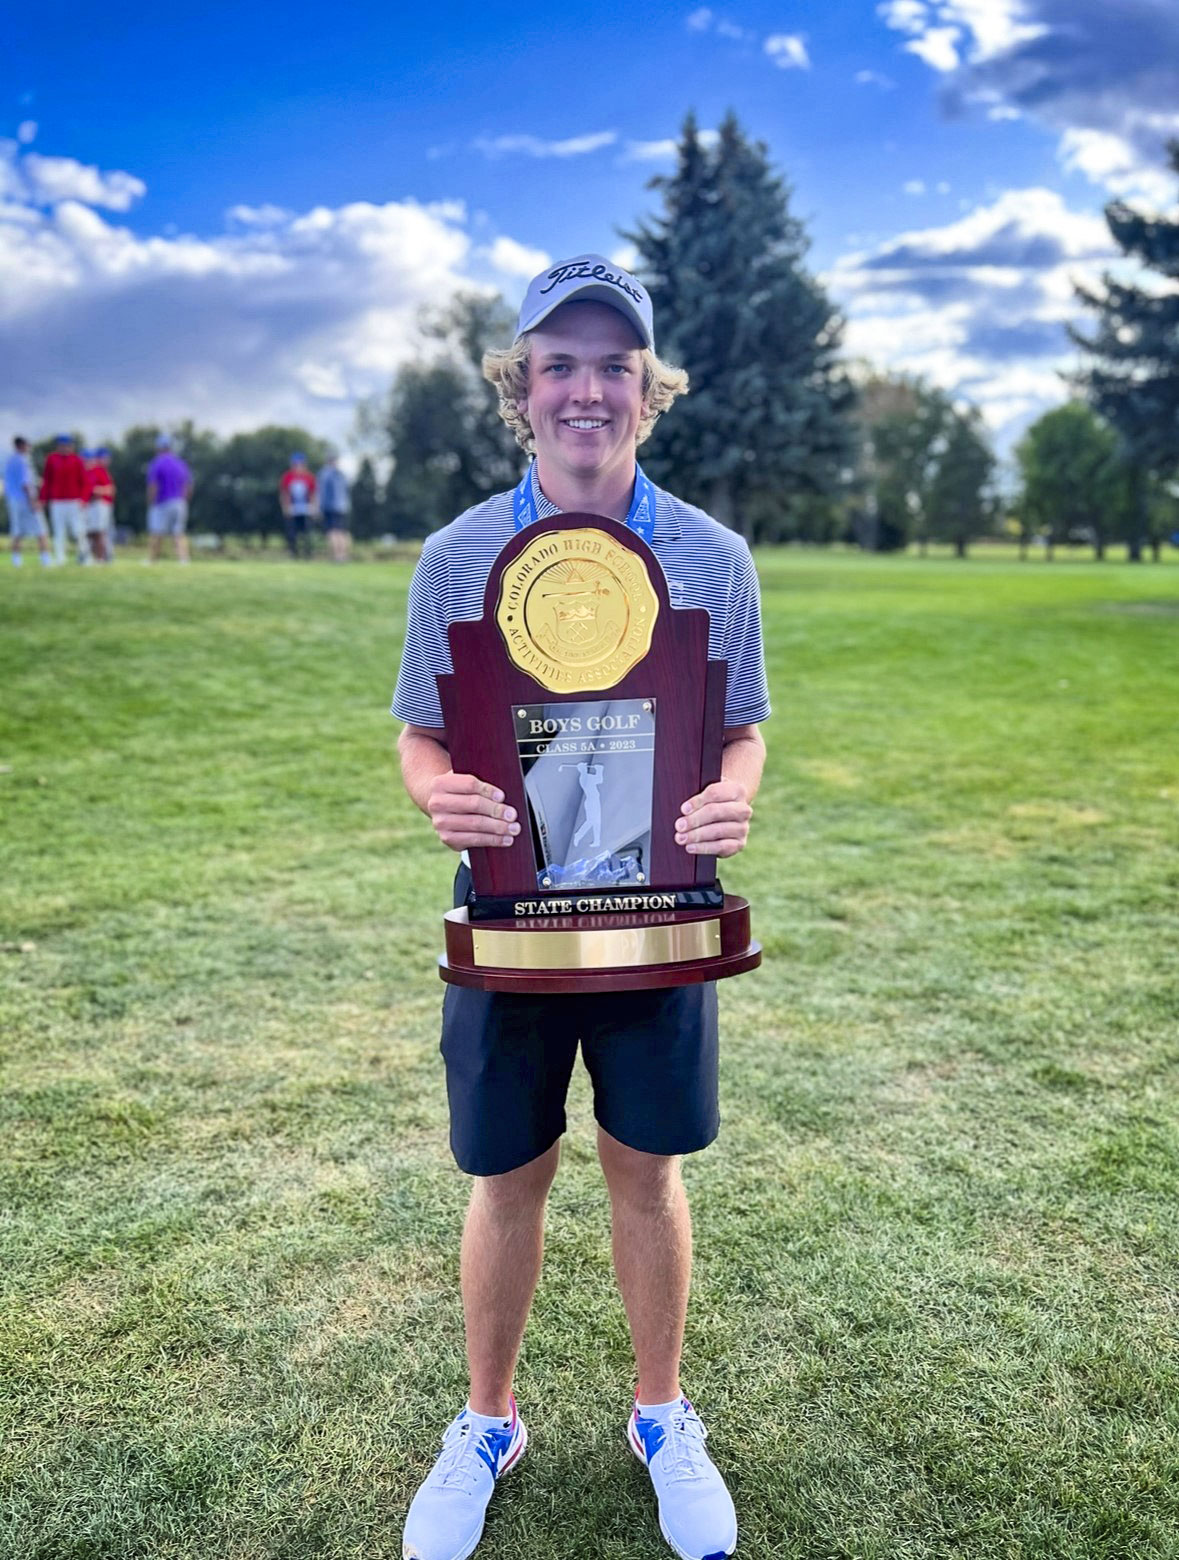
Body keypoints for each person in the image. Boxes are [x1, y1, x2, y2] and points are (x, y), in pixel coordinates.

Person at [393, 254, 769, 1560]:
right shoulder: (456, 558)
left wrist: (731, 797)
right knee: (505, 1173)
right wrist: (439, 795)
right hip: (508, 921)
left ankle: (660, 1417)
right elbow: (420, 734)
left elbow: (741, 729)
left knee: (642, 1168)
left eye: (615, 364)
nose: (587, 390)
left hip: (659, 915)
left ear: (647, 390)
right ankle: (486, 1421)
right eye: (560, 364)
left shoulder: (711, 558)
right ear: (521, 387)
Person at [39, 433, 89, 565]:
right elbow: (47, 480)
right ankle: (60, 557)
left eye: (67, 445)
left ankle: (84, 555)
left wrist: (83, 499)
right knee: (59, 531)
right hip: (57, 501)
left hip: (74, 501)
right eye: (62, 445)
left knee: (78, 530)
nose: (65, 448)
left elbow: (84, 482)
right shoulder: (51, 459)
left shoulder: (77, 460)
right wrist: (43, 498)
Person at [146, 434, 192, 564]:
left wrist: (151, 502)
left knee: (156, 532)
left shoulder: (156, 463)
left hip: (162, 502)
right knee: (179, 533)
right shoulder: (181, 463)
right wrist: (184, 500)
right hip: (180, 502)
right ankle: (184, 559)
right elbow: (188, 485)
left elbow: (153, 486)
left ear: (159, 447)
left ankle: (152, 560)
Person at [4, 436, 50, 567]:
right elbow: (26, 484)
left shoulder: (10, 461)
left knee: (17, 530)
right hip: (25, 500)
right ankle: (45, 560)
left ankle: (16, 561)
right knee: (41, 530)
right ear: (21, 446)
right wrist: (33, 502)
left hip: (13, 501)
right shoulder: (23, 461)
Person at [279, 453, 317, 558]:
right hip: (292, 509)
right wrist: (285, 507)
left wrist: (314, 508)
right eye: (296, 464)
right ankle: (293, 553)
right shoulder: (287, 477)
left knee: (307, 533)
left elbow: (313, 494)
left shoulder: (309, 477)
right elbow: (284, 493)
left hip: (306, 509)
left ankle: (307, 553)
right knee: (292, 533)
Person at [316, 451, 351, 562]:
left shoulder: (324, 473)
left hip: (330, 507)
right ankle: (344, 555)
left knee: (332, 532)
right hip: (342, 507)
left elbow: (321, 492)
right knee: (342, 532)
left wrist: (318, 508)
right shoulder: (341, 474)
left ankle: (337, 556)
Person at [82, 448, 115, 564]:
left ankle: (102, 558)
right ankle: (93, 557)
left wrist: (96, 490)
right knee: (90, 534)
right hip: (88, 506)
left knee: (99, 532)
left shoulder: (98, 471)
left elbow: (110, 490)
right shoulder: (83, 473)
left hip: (100, 506)